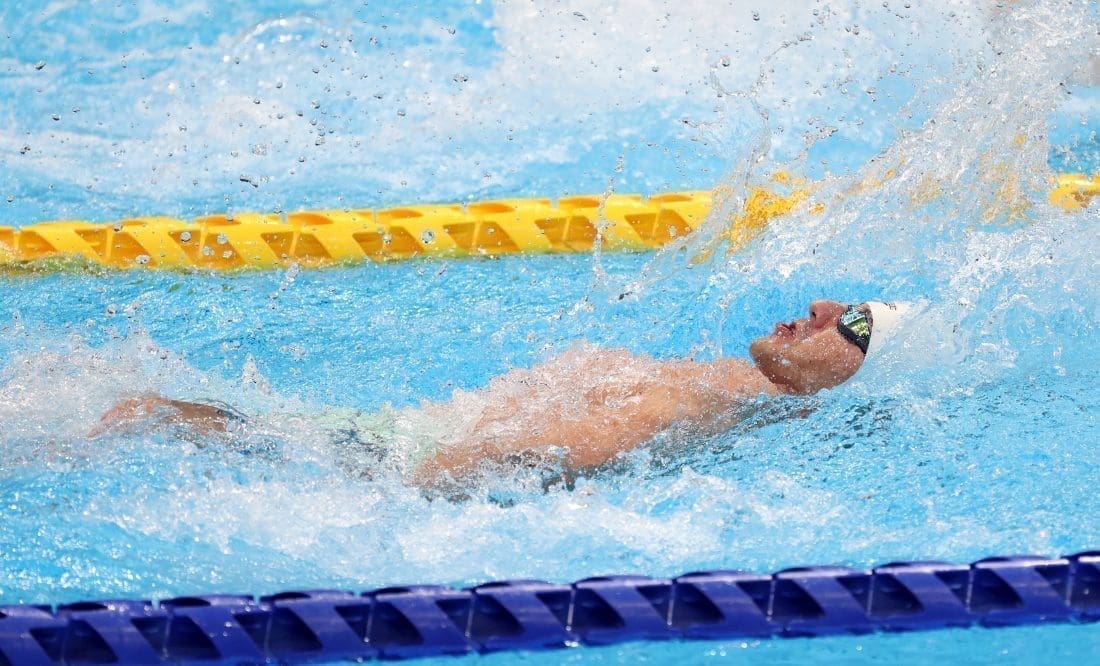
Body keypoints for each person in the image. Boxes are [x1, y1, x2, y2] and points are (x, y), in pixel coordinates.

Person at [90, 299, 909, 487]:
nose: (819, 307)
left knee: (148, 414)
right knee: (147, 411)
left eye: (852, 323)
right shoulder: (731, 381)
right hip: (403, 433)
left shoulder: (684, 406)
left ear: (848, 372)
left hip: (395, 457)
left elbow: (512, 459)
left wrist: (416, 473)